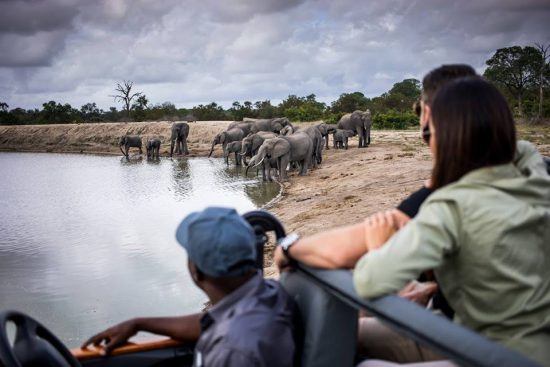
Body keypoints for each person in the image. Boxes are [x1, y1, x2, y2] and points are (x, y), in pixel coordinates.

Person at [281, 77, 550, 366]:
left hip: (491, 352)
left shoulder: (450, 206)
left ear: (442, 138)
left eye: (427, 134)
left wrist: (376, 245)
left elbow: (371, 282)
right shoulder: (535, 173)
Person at [82, 207, 296, 367]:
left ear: (197, 271)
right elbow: (212, 323)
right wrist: (139, 323)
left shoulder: (234, 351)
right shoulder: (268, 292)